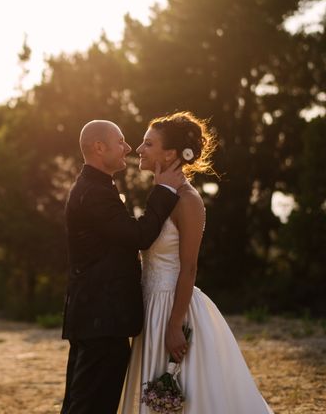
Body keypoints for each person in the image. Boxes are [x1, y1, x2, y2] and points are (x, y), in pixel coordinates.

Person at [118, 111, 273, 413]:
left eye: (148, 144)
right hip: (150, 308)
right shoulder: (160, 194)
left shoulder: (188, 200)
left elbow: (189, 267)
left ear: (171, 153)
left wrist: (175, 325)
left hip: (174, 306)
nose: (139, 149)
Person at [61, 120, 186, 414]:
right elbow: (139, 236)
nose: (128, 148)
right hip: (101, 320)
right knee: (91, 405)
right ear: (99, 147)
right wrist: (164, 190)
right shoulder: (94, 192)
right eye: (120, 142)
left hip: (95, 318)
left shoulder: (95, 186)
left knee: (82, 402)